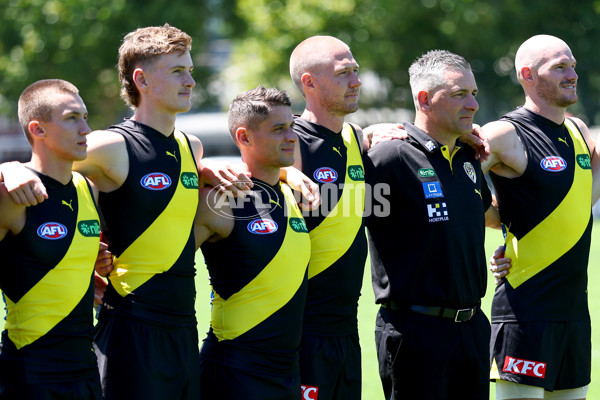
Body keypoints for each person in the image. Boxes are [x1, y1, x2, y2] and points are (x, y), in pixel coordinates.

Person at [365, 50, 500, 399]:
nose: (472, 104)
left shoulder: (469, 157)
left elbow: (486, 216)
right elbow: (339, 217)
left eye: (473, 94)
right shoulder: (390, 156)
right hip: (416, 334)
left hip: (472, 329)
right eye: (459, 94)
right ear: (424, 99)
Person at [483, 34, 598, 400]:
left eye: (573, 66)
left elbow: (575, 199)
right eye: (560, 67)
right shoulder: (504, 134)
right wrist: (498, 227)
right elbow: (453, 181)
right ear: (527, 75)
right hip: (524, 314)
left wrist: (525, 219)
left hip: (575, 315)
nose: (572, 74)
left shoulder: (579, 131)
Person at [195, 85, 311, 399]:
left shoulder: (289, 192)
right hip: (235, 371)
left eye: (291, 127)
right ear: (244, 137)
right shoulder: (219, 200)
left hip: (288, 372)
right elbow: (164, 263)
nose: (291, 137)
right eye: (278, 129)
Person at [0, 79, 102, 399]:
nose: (86, 129)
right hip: (31, 375)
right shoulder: (12, 195)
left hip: (87, 368)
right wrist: (6, 167)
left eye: (85, 117)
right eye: (72, 118)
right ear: (38, 129)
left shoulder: (87, 187)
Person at [288, 35, 368, 400]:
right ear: (309, 82)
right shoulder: (289, 141)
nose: (356, 81)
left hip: (347, 330)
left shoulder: (355, 137)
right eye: (343, 73)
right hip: (303, 331)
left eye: (356, 71)